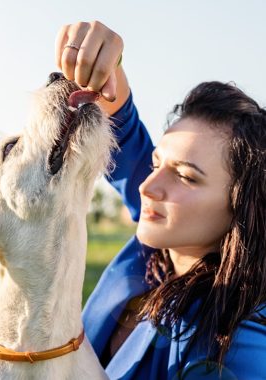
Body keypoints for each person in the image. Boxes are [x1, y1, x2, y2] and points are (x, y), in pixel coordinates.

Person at [56, 21, 266, 379]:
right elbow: (117, 114)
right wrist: (104, 60)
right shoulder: (169, 231)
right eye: (156, 164)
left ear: (243, 208)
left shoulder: (238, 343)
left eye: (185, 176)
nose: (147, 186)